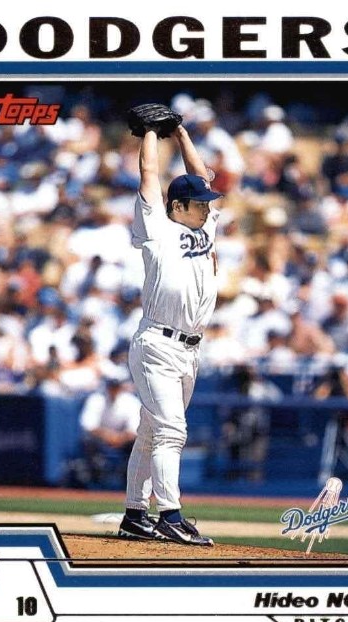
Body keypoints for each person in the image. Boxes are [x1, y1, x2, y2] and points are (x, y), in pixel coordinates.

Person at [117, 119, 222, 546]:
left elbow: (201, 177)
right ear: (177, 206)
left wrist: (180, 134)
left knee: (151, 433)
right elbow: (148, 173)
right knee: (172, 432)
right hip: (157, 344)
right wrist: (148, 132)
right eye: (199, 204)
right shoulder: (158, 226)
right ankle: (170, 516)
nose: (207, 208)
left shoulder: (206, 227)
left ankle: (134, 515)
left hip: (189, 350)